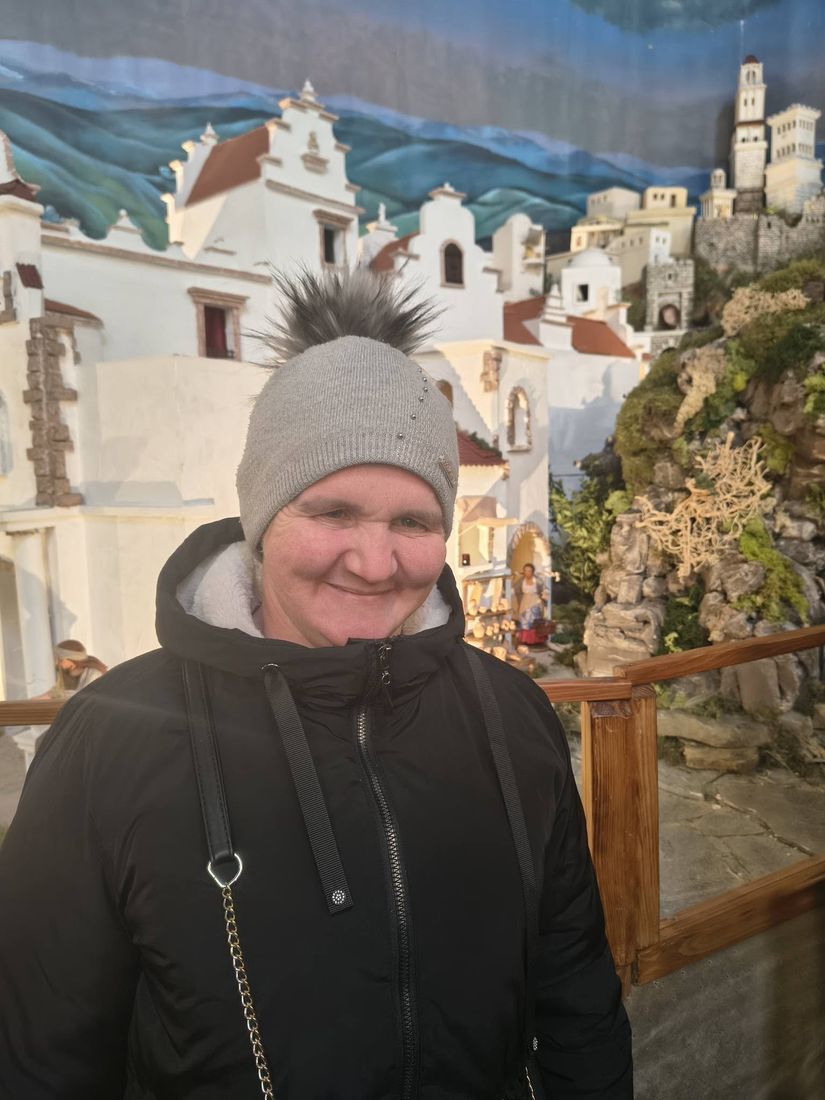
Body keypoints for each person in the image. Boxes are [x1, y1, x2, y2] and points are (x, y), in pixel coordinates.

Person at [0, 268, 632, 1099]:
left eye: (412, 521)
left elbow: (575, 991)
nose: (374, 563)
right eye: (332, 512)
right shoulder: (110, 739)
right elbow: (42, 1054)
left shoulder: (510, 714)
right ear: (263, 519)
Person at [43, 638, 109, 698]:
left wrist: (54, 694)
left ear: (72, 660)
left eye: (60, 660)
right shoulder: (66, 673)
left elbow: (85, 697)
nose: (57, 663)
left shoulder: (94, 674)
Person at [512, 563, 547, 630]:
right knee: (523, 621)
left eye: (529, 571)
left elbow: (544, 589)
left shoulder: (537, 580)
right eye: (525, 571)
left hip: (535, 602)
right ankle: (525, 636)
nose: (527, 573)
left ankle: (533, 635)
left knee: (534, 621)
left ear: (532, 572)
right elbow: (514, 589)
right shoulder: (521, 580)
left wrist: (544, 596)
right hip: (524, 602)